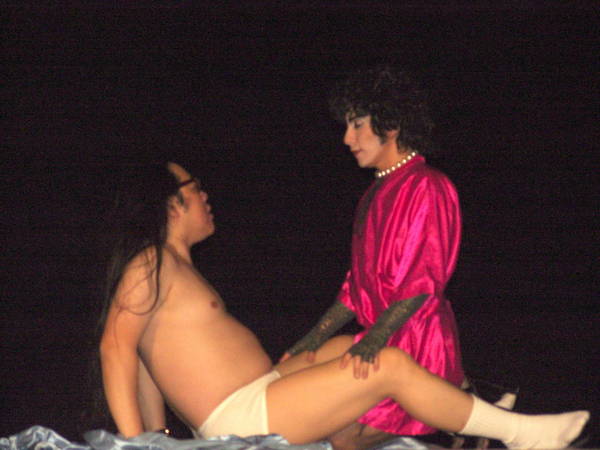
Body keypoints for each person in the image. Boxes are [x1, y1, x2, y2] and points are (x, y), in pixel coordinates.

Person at [99, 161, 588, 448]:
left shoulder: (172, 267)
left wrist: (157, 434)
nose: (206, 195)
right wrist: (135, 445)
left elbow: (143, 360)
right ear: (171, 204)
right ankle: (520, 434)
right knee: (385, 367)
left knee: (353, 348)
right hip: (242, 415)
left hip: (263, 388)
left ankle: (455, 412)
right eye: (195, 188)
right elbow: (115, 349)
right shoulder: (150, 262)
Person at [281, 66, 466, 448]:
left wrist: (375, 339)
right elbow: (356, 289)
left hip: (417, 344)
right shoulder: (374, 193)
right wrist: (313, 338)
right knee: (309, 414)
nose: (347, 139)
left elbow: (422, 281)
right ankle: (461, 418)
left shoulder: (427, 185)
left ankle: (462, 416)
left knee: (343, 437)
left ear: (391, 125)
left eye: (357, 125)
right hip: (379, 339)